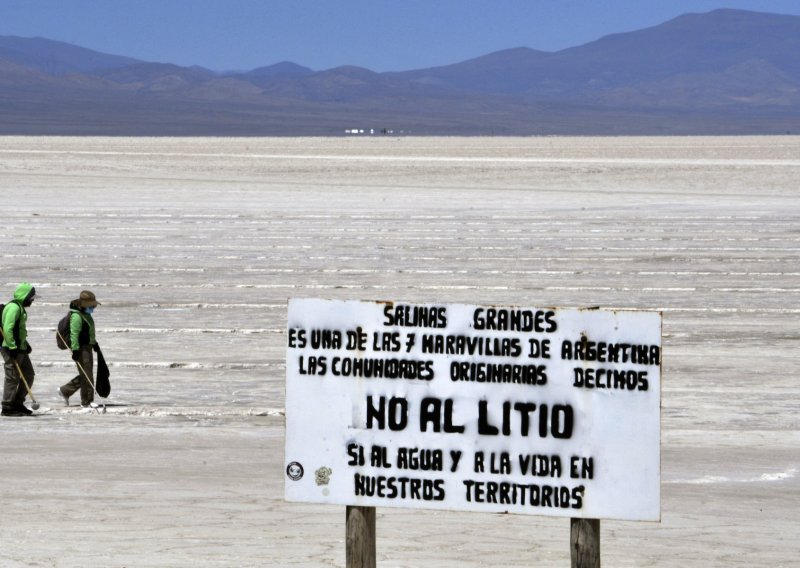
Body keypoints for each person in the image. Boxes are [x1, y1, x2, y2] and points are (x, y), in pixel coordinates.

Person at [58, 290, 101, 408]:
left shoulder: (86, 315)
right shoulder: (77, 316)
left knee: (86, 373)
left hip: (87, 347)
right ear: (85, 305)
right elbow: (74, 334)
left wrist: (94, 343)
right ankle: (87, 402)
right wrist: (76, 350)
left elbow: (88, 332)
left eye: (94, 305)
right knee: (87, 374)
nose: (93, 308)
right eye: (91, 306)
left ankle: (65, 391)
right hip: (81, 349)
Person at [1, 282, 36, 417]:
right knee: (12, 377)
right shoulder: (13, 308)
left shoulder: (20, 307)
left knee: (28, 375)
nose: (32, 301)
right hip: (10, 348)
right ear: (25, 296)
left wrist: (25, 344)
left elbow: (19, 330)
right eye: (31, 298)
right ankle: (7, 407)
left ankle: (17, 402)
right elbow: (8, 329)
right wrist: (12, 347)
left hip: (19, 347)